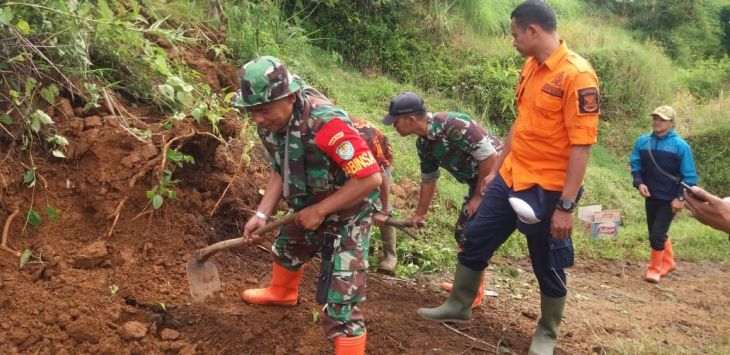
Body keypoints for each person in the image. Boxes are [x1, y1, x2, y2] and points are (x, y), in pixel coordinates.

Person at [417, 2, 600, 355]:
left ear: (533, 31)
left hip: (548, 188)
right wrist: (498, 169)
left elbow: (582, 147)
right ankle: (459, 303)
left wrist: (565, 205)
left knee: (546, 260)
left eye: (515, 34)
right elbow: (521, 122)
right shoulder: (530, 67)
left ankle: (546, 333)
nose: (513, 41)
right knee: (476, 235)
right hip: (512, 176)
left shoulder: (577, 75)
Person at [234, 56, 381, 354]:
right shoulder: (271, 122)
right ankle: (282, 292)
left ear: (288, 97)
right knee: (288, 246)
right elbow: (280, 166)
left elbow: (370, 179)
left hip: (350, 209)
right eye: (252, 112)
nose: (258, 119)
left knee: (341, 302)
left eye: (263, 110)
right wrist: (262, 213)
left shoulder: (326, 123)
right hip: (309, 204)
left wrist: (321, 210)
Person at [381, 91, 500, 308]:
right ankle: (468, 288)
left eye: (395, 121)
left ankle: (471, 293)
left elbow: (490, 157)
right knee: (464, 233)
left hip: (502, 179)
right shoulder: (424, 144)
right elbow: (429, 179)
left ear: (411, 119)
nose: (394, 127)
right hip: (478, 184)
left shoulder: (453, 124)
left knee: (475, 233)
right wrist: (420, 212)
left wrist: (478, 197)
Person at [630, 105, 697, 283]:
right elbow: (636, 165)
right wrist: (639, 183)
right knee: (655, 231)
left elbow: (689, 176)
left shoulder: (680, 146)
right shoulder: (643, 141)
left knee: (657, 235)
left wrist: (680, 197)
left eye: (662, 119)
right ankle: (668, 262)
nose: (657, 122)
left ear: (671, 122)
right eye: (655, 118)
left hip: (670, 198)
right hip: (651, 195)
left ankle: (655, 268)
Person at [350, 116, 399, 273]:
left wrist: (383, 210)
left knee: (378, 200)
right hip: (350, 156)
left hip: (380, 156)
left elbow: (381, 177)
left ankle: (390, 256)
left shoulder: (364, 137)